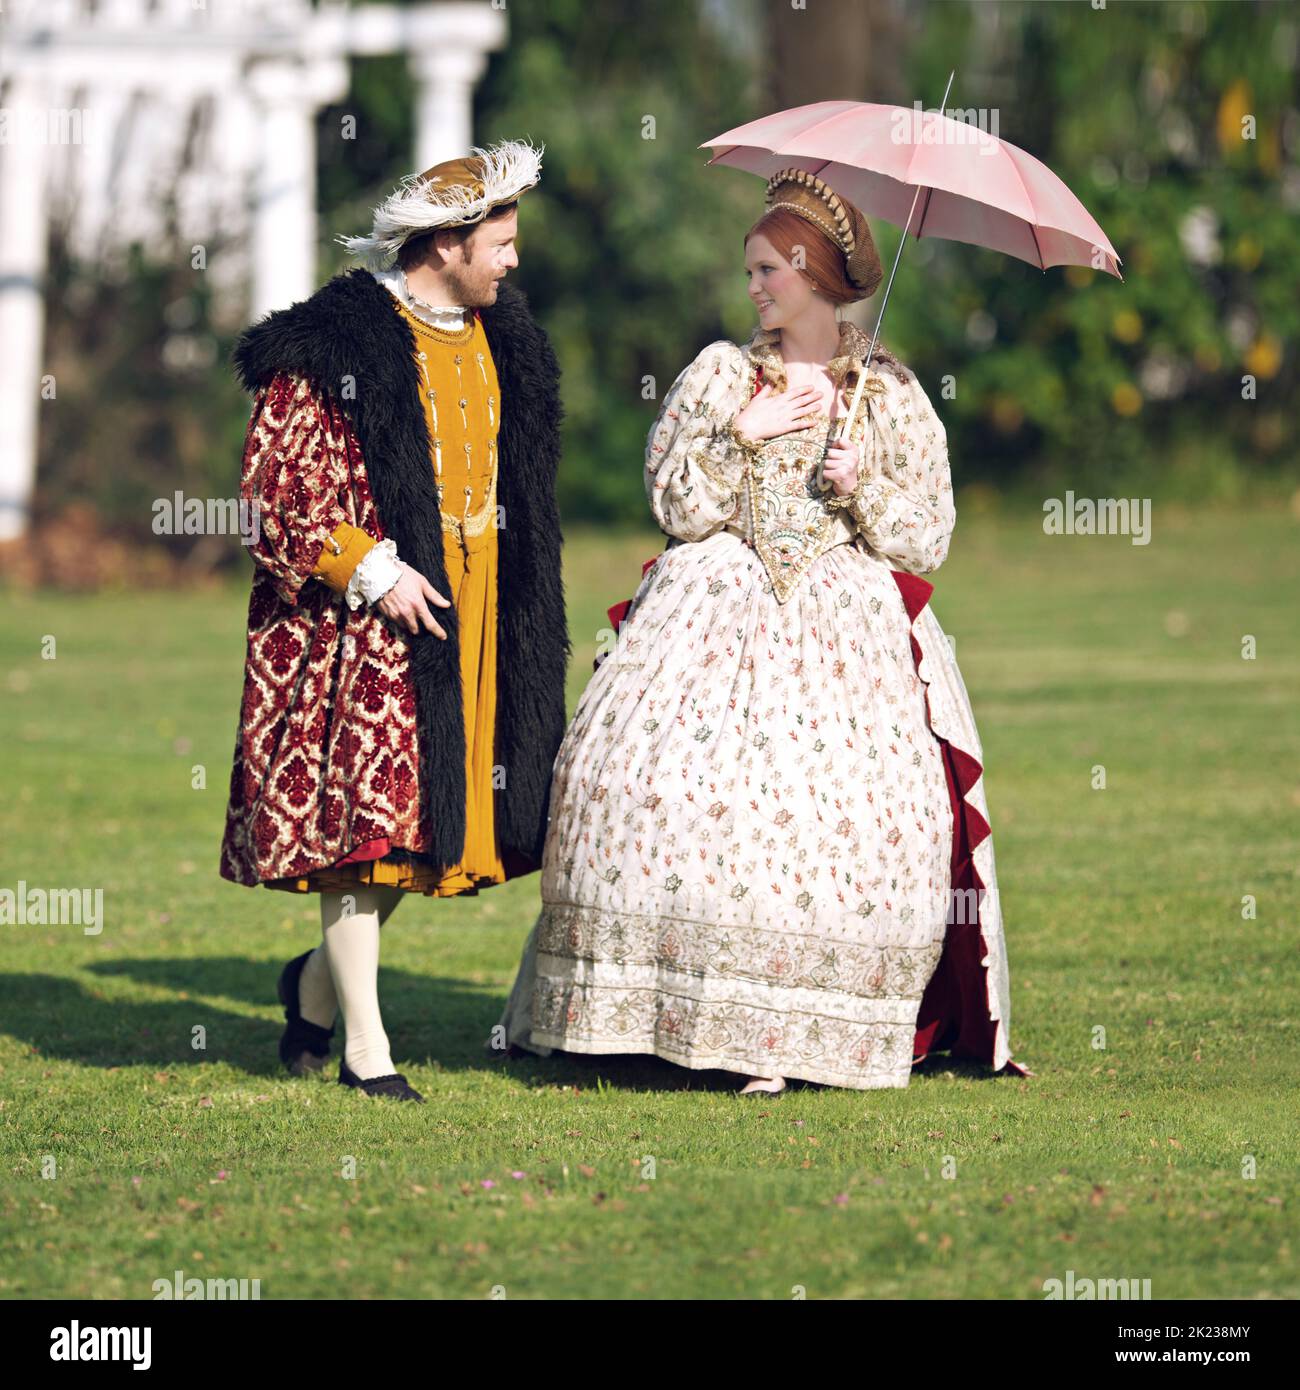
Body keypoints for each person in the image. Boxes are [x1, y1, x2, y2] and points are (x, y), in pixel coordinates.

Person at [492, 167, 1027, 1095]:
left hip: (844, 628)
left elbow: (929, 532)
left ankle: (787, 1038)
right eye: (749, 270)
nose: (755, 287)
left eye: (769, 270)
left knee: (850, 815)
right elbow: (674, 502)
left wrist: (866, 486)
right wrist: (745, 428)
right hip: (712, 610)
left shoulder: (890, 394)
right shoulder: (719, 373)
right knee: (636, 781)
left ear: (816, 273)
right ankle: (635, 1020)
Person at [219, 139, 571, 1101]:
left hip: (482, 609)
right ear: (446, 243)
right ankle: (366, 1055)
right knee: (366, 836)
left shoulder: (508, 336)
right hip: (364, 624)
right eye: (499, 241)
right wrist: (371, 568)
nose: (512, 258)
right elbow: (275, 491)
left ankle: (316, 991)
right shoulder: (334, 341)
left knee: (432, 829)